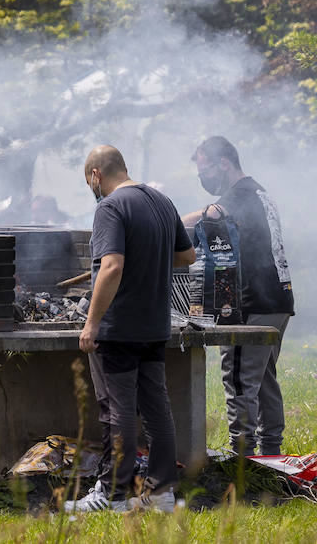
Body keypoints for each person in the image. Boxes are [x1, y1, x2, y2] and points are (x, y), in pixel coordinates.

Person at [65, 145, 196, 514]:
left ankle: (111, 495)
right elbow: (187, 256)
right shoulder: (161, 201)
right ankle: (162, 494)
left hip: (118, 327)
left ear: (96, 175)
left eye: (89, 182)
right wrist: (150, 253)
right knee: (157, 410)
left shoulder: (110, 206)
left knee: (116, 411)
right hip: (154, 326)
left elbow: (111, 267)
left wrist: (91, 323)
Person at [182, 136, 295, 457]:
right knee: (263, 377)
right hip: (277, 299)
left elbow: (209, 215)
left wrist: (165, 223)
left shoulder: (243, 193)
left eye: (204, 169)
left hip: (255, 301)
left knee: (239, 377)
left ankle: (242, 456)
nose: (203, 178)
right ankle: (272, 453)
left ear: (224, 164)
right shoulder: (258, 192)